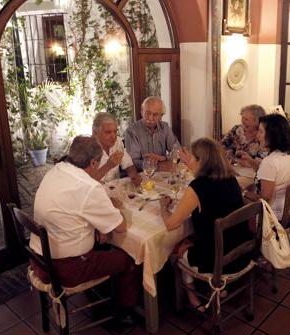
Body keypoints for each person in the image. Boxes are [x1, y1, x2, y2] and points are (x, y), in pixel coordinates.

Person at [29, 136, 140, 322]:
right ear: (94, 162)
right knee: (129, 258)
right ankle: (123, 312)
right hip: (64, 268)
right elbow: (120, 227)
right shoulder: (88, 187)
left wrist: (98, 230)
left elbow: (72, 210)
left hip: (38, 259)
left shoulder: (56, 170)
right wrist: (116, 207)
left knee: (102, 240)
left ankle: (101, 294)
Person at [159, 138, 253, 310]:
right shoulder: (231, 178)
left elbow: (171, 224)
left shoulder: (198, 187)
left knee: (177, 246)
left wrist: (163, 207)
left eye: (193, 158)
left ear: (201, 161)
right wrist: (192, 167)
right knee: (190, 239)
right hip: (242, 252)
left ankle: (192, 296)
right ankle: (213, 290)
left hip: (218, 261)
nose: (189, 161)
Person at [238, 114, 290, 220]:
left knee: (233, 204)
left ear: (273, 135)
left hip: (273, 217)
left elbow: (265, 200)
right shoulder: (287, 153)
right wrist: (252, 162)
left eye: (261, 132)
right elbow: (273, 173)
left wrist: (243, 191)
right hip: (289, 208)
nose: (257, 136)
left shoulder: (270, 162)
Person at [124, 96, 181, 171]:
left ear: (161, 116)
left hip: (162, 174)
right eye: (148, 113)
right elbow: (132, 163)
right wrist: (157, 166)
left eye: (155, 114)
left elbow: (178, 151)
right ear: (141, 110)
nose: (150, 118)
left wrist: (164, 158)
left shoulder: (165, 127)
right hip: (142, 174)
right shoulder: (132, 131)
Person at [91, 112, 142, 186]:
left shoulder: (117, 142)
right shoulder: (87, 149)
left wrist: (134, 176)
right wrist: (108, 165)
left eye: (115, 131)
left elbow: (128, 165)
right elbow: (87, 181)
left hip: (115, 188)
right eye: (108, 132)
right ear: (95, 132)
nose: (113, 136)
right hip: (97, 191)